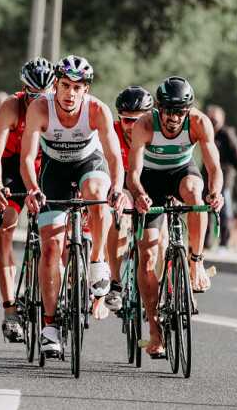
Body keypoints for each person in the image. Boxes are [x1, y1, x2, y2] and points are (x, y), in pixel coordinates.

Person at [20, 54, 127, 356]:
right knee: (51, 247)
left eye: (77, 88)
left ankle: (97, 262)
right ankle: (50, 325)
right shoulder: (40, 108)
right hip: (53, 170)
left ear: (86, 90)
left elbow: (114, 156)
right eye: (65, 86)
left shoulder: (97, 110)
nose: (70, 94)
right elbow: (28, 158)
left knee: (97, 191)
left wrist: (118, 188)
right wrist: (32, 189)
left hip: (88, 164)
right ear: (55, 85)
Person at [127, 76, 224, 358]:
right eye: (168, 110)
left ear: (187, 111)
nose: (173, 118)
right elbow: (133, 173)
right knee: (146, 257)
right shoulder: (144, 124)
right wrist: (140, 194)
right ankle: (155, 333)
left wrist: (215, 192)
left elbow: (213, 166)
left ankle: (195, 262)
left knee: (196, 193)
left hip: (182, 173)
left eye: (179, 112)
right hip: (151, 181)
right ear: (159, 109)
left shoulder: (199, 123)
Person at [0, 57, 54, 342]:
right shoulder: (11, 107)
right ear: (23, 89)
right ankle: (10, 308)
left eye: (44, 95)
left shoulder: (58, 109)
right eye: (32, 94)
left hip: (45, 164)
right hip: (13, 164)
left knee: (57, 230)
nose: (38, 100)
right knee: (5, 225)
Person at [104, 86, 153, 312]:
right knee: (119, 218)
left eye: (138, 120)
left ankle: (164, 283)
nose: (132, 127)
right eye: (126, 120)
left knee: (160, 233)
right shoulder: (111, 133)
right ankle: (116, 283)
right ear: (119, 119)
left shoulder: (156, 132)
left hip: (150, 185)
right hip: (122, 184)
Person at [203, 105, 237, 250]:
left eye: (214, 119)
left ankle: (224, 243)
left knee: (224, 210)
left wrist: (230, 173)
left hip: (225, 178)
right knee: (205, 209)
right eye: (210, 118)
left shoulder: (227, 134)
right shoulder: (206, 133)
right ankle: (205, 242)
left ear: (222, 119)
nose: (212, 122)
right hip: (206, 178)